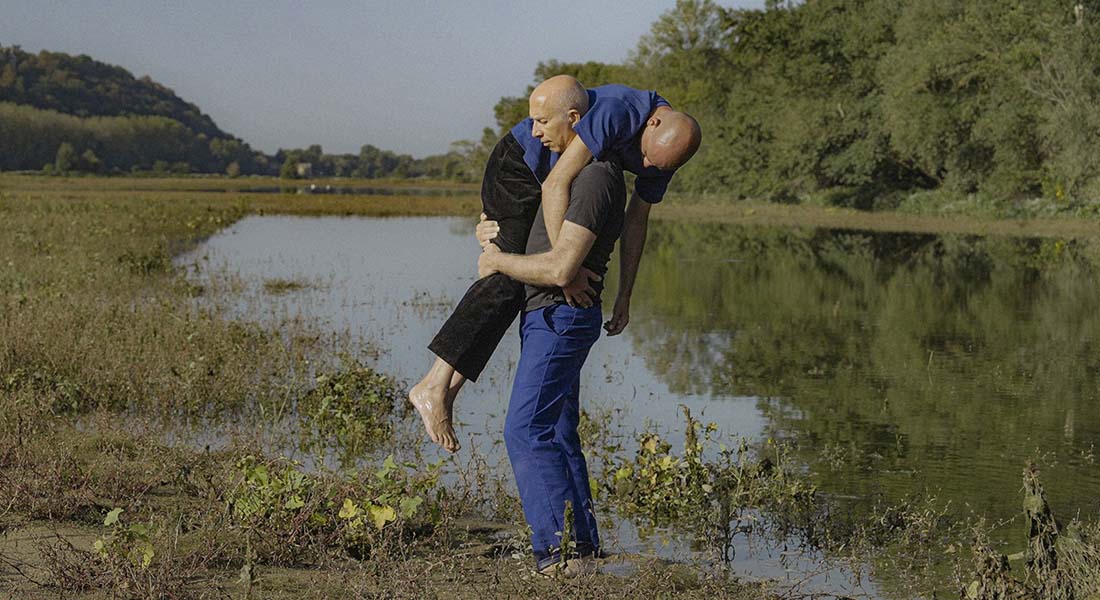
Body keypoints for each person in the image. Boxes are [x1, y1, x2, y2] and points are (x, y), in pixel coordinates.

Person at [408, 75, 702, 452]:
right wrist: (567, 272)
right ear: (653, 123)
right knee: (507, 274)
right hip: (521, 165)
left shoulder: (665, 153)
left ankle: (442, 387)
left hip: (548, 175)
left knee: (515, 270)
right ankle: (434, 385)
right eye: (643, 157)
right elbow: (554, 184)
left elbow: (636, 223)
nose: (643, 166)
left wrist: (625, 295)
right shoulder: (617, 112)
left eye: (653, 166)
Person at [477, 150, 626, 576]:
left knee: (525, 430)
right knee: (558, 431)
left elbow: (563, 268)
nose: (537, 132)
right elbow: (531, 233)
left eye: (544, 121)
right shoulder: (569, 174)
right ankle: (583, 549)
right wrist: (489, 231)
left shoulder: (595, 177)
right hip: (548, 314)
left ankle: (557, 555)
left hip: (559, 316)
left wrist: (496, 261)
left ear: (576, 119)